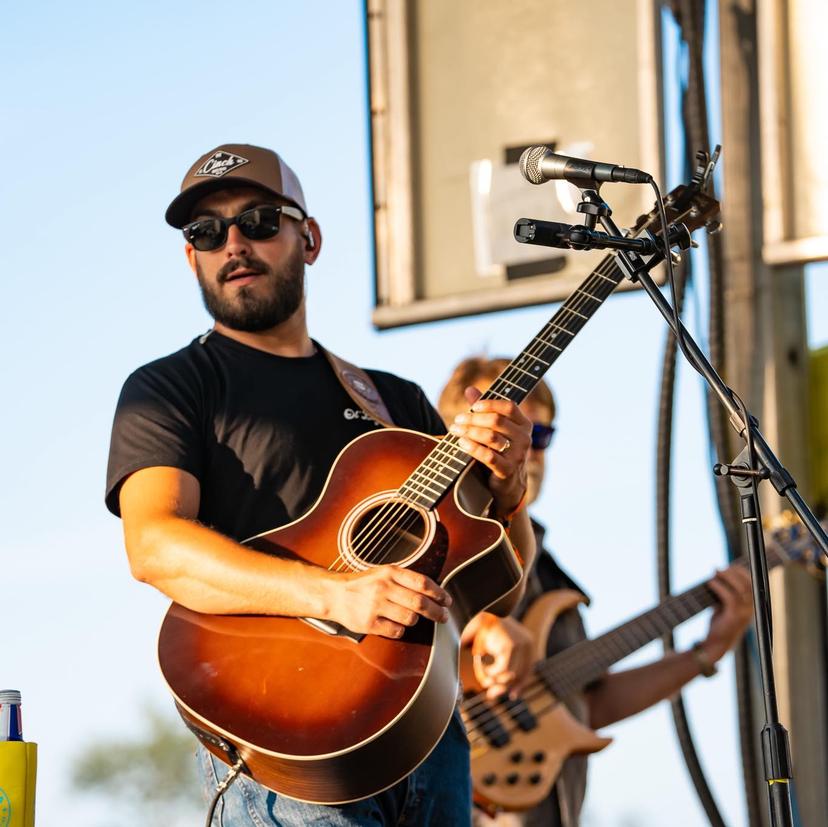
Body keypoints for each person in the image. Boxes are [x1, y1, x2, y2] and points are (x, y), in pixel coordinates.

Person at [105, 144, 537, 827]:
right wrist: (336, 594)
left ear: (309, 238)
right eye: (207, 232)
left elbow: (500, 584)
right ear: (191, 258)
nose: (234, 244)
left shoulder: (394, 401)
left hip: (430, 735)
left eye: (258, 221)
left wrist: (510, 486)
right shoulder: (169, 388)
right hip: (292, 744)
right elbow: (153, 546)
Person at [438, 356, 755, 827]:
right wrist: (480, 630)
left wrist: (708, 651)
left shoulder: (549, 572)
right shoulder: (431, 540)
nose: (528, 450)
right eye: (505, 432)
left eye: (540, 436)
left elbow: (589, 704)